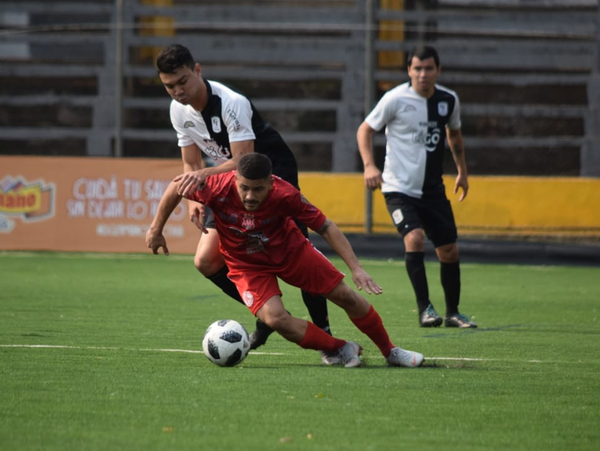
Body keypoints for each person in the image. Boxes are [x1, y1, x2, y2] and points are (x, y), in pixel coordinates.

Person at [146, 153, 424, 368]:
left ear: (271, 183)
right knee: (276, 318)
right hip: (247, 265)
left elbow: (326, 226)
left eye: (258, 189)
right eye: (244, 188)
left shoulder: (286, 193)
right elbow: (175, 188)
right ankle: (340, 347)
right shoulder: (217, 186)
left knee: (345, 296)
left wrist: (356, 268)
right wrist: (156, 229)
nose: (250, 196)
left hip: (292, 253)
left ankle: (391, 351)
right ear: (235, 180)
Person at [155, 44, 336, 357]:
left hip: (269, 173)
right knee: (206, 261)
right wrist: (192, 200)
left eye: (183, 81)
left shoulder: (231, 103)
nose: (178, 91)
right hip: (227, 182)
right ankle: (266, 315)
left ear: (197, 70)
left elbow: (244, 159)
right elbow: (190, 163)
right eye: (169, 86)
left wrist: (202, 177)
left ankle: (325, 334)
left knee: (301, 256)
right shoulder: (177, 111)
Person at [356, 46, 477, 329]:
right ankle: (425, 310)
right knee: (415, 239)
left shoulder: (448, 100)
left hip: (433, 190)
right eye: (417, 68)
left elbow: (454, 134)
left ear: (438, 70)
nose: (423, 74)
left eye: (428, 68)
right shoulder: (395, 99)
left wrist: (462, 171)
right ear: (409, 71)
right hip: (398, 189)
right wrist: (369, 165)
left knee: (449, 251)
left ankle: (453, 313)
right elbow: (365, 129)